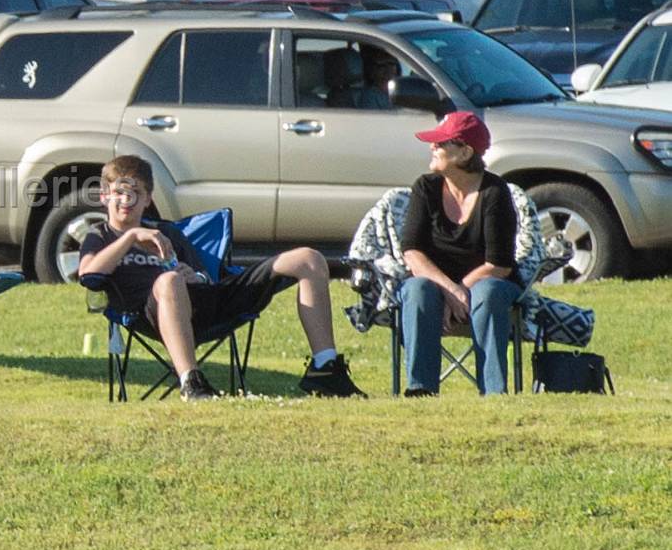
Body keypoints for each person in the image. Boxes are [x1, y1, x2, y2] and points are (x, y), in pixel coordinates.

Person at [78, 155, 365, 400]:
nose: (125, 200)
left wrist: (195, 276)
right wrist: (130, 238)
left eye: (135, 192)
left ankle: (326, 369)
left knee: (308, 258)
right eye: (118, 193)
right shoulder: (100, 236)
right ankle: (191, 382)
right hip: (152, 313)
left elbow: (203, 275)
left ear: (148, 198)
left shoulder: (169, 233)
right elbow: (89, 274)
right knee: (168, 282)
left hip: (207, 303)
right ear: (104, 197)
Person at [399, 111, 520, 396]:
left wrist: (460, 291)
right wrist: (450, 290)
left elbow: (499, 264)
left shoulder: (495, 192)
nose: (433, 147)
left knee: (488, 292)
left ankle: (493, 393)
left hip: (487, 283)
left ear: (465, 152)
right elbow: (412, 253)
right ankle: (420, 390)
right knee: (417, 289)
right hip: (438, 284)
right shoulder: (425, 187)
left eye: (441, 143)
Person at [358, 46, 401, 110]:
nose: (388, 69)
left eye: (391, 63)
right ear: (372, 71)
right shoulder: (370, 96)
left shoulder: (400, 91)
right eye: (382, 65)